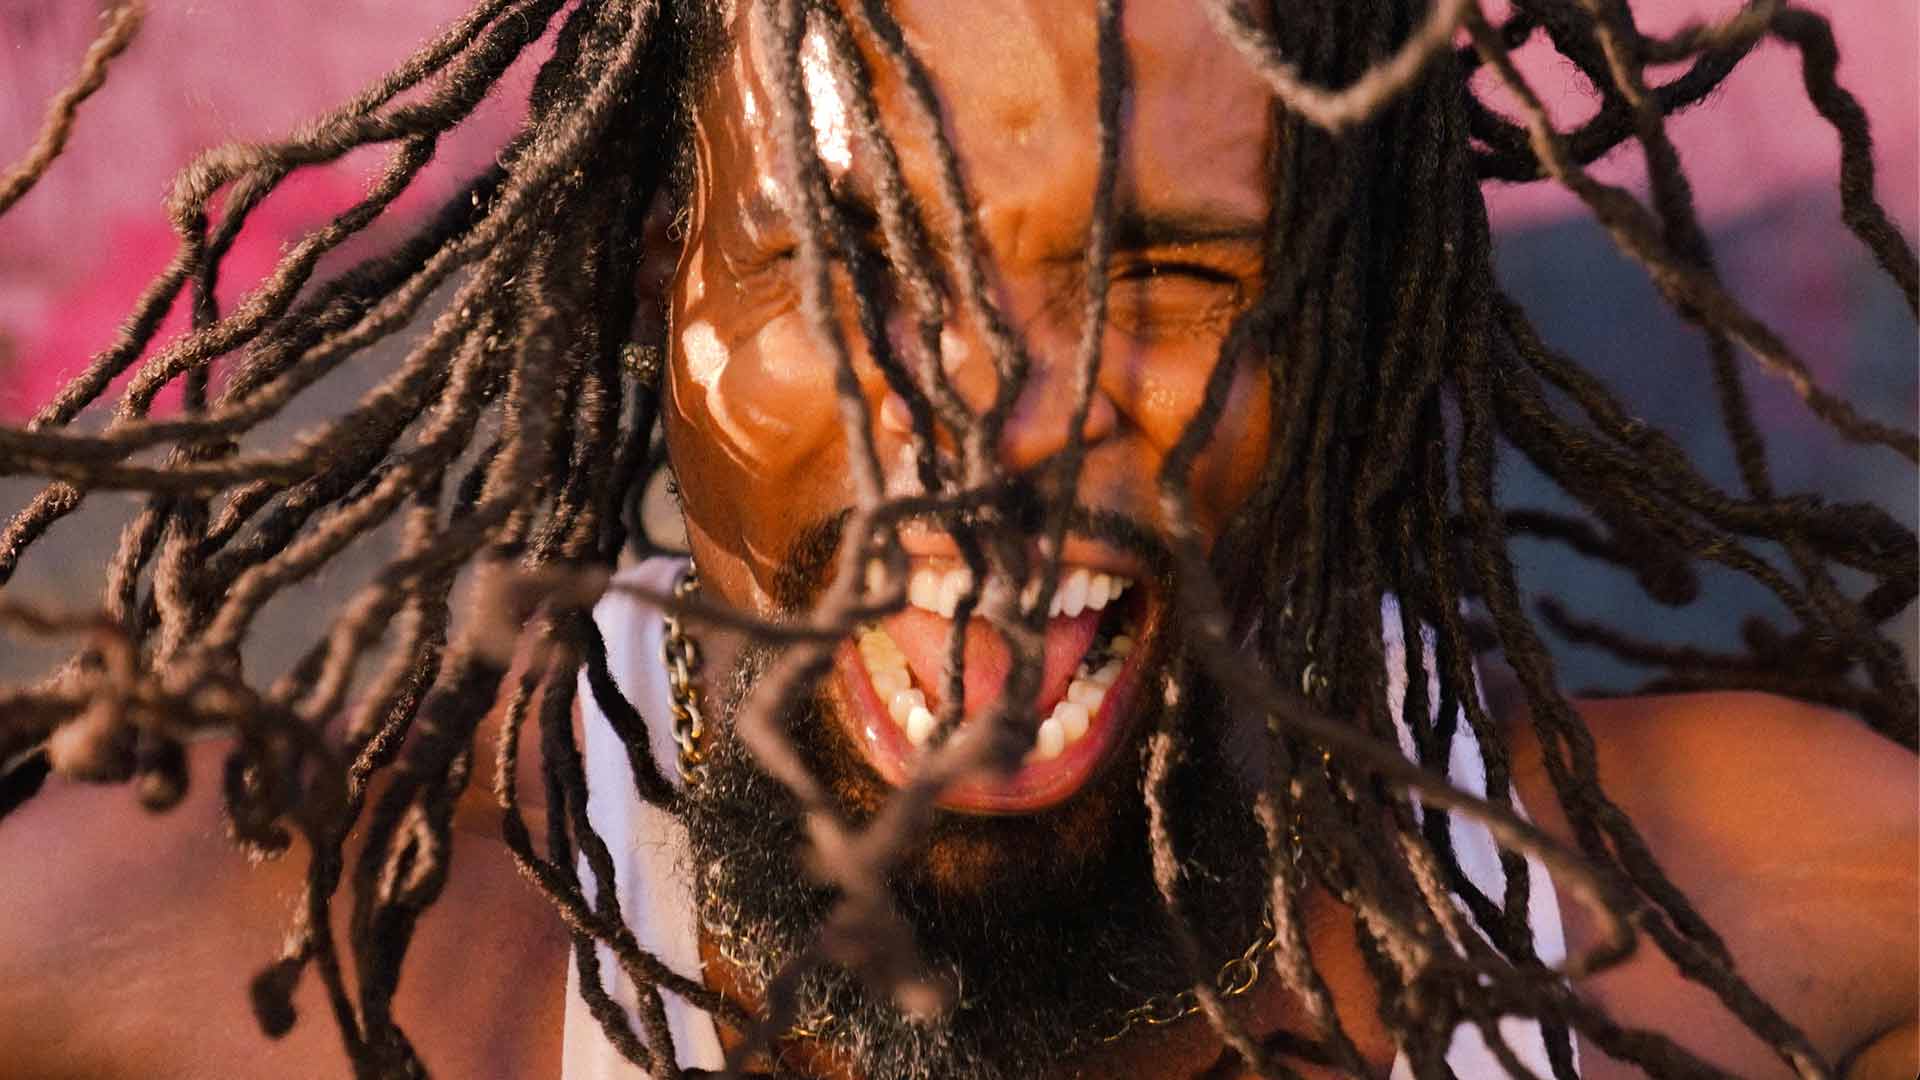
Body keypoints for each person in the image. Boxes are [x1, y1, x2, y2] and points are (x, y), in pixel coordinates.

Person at [0, 1, 1913, 1078]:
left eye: (1165, 277)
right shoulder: (238, 970)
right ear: (657, 273)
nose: (986, 443)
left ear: (1351, 322)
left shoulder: (1776, 938)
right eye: (852, 264)